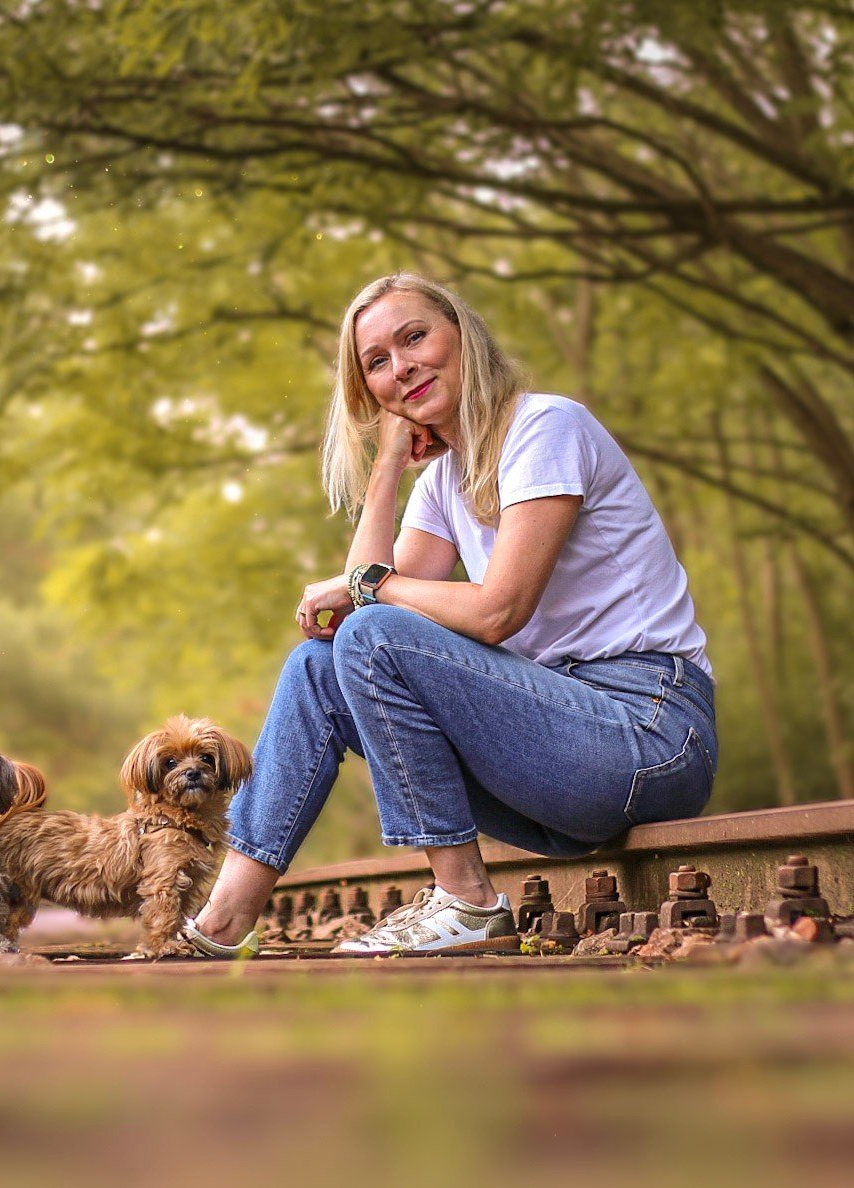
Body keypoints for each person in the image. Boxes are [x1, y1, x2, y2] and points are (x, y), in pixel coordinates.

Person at [178, 273, 716, 958]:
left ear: (462, 336)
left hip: (647, 731)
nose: (402, 366)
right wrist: (388, 467)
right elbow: (356, 622)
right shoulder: (441, 481)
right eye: (377, 362)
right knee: (321, 663)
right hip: (553, 753)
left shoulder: (546, 427)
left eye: (414, 338)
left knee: (374, 633)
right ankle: (223, 923)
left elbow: (497, 611)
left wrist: (369, 586)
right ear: (370, 389)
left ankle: (464, 900)